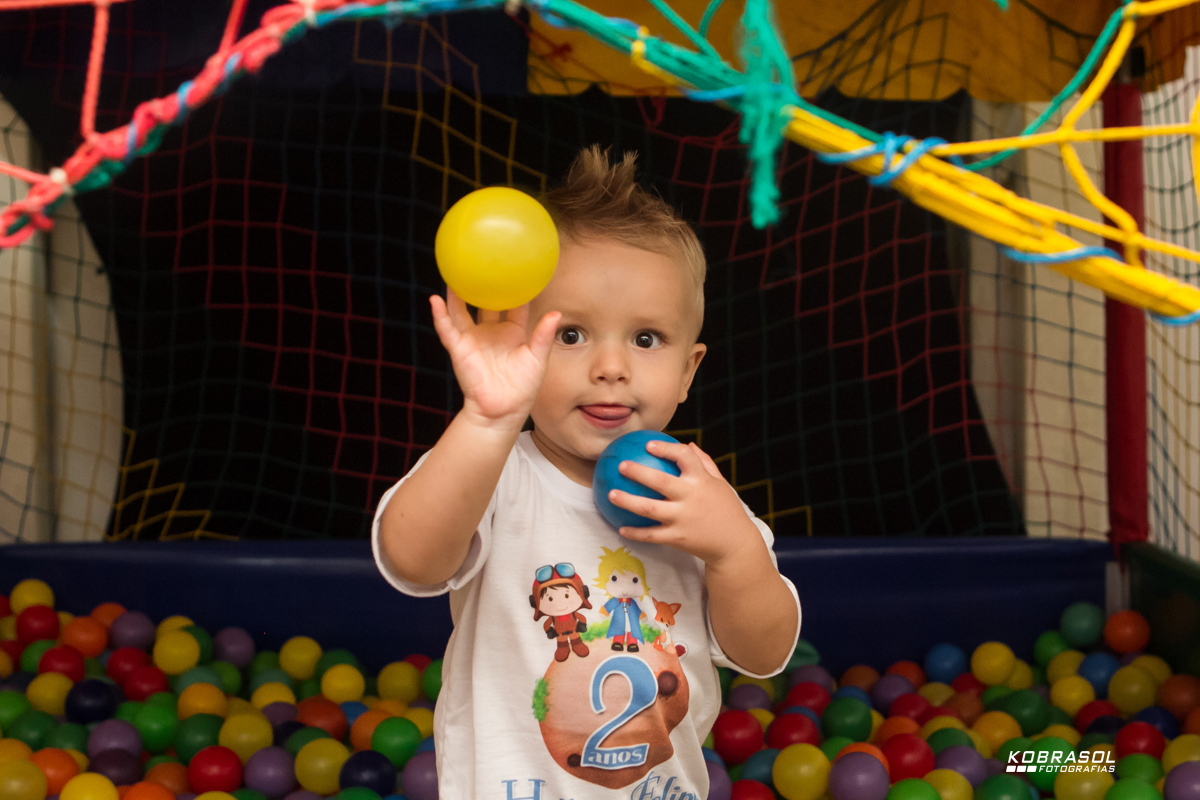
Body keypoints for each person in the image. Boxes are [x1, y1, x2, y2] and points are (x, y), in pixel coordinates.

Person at [372, 144, 801, 799]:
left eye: (646, 338)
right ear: (522, 342)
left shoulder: (697, 498)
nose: (610, 366)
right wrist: (486, 422)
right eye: (571, 335)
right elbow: (411, 560)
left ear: (689, 369)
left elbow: (765, 654)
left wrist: (735, 550)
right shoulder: (494, 471)